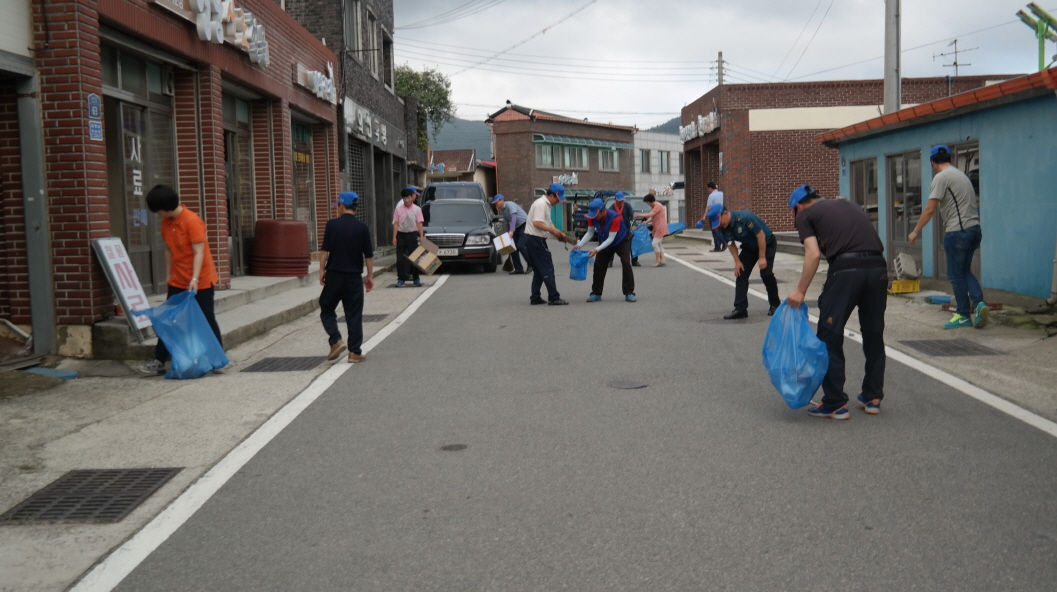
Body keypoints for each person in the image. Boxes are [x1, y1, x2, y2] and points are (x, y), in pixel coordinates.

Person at [786, 184, 888, 420]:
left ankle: (835, 403)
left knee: (829, 334)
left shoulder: (805, 215)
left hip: (846, 271)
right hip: (878, 268)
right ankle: (872, 396)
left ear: (798, 207)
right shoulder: (848, 204)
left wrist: (801, 290)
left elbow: (812, 253)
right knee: (873, 332)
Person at [140, 184, 223, 375]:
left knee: (207, 318)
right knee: (169, 319)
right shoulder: (167, 222)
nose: (157, 214)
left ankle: (217, 358)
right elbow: (169, 248)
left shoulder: (192, 221)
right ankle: (159, 360)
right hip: (178, 279)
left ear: (165, 207)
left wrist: (194, 278)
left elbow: (199, 252)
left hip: (201, 280)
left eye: (158, 210)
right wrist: (169, 275)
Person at [909, 145, 989, 330]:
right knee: (964, 271)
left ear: (932, 163)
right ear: (950, 160)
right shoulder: (961, 175)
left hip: (957, 232)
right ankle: (979, 304)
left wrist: (915, 231)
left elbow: (930, 208)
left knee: (954, 274)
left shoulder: (941, 177)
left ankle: (962, 314)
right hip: (974, 229)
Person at [319, 191, 374, 364]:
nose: (338, 209)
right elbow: (369, 256)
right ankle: (354, 353)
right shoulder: (362, 228)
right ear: (356, 208)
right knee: (354, 315)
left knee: (327, 308)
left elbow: (324, 251)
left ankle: (336, 340)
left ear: (342, 206)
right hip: (354, 278)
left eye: (338, 206)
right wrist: (370, 276)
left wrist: (321, 270)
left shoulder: (332, 225)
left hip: (334, 275)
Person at [707, 203, 781, 319]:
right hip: (749, 247)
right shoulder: (722, 227)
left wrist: (762, 257)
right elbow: (730, 243)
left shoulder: (745, 217)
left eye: (719, 220)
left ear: (725, 213)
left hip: (766, 243)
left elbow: (760, 236)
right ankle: (740, 309)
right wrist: (737, 262)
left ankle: (775, 304)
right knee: (741, 273)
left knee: (766, 273)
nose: (720, 224)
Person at [575, 197, 636, 302]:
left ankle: (629, 293)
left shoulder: (614, 217)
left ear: (603, 211)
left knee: (626, 263)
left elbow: (611, 239)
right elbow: (590, 233)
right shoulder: (592, 216)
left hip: (621, 239)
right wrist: (579, 245)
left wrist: (596, 250)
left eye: (596, 214)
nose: (594, 217)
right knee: (599, 265)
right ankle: (596, 293)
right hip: (605, 240)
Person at [519, 182, 571, 306]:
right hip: (535, 239)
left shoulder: (546, 205)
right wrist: (553, 230)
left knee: (538, 270)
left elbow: (547, 223)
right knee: (547, 268)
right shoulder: (541, 204)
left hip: (534, 240)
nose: (558, 202)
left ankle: (535, 297)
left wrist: (558, 233)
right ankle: (553, 297)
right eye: (558, 199)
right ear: (552, 195)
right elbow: (537, 223)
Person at [392, 186, 424, 287]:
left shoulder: (417, 209)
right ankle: (401, 279)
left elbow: (419, 223)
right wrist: (394, 237)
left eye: (408, 198)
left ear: (412, 197)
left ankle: (416, 278)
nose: (406, 200)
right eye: (404, 198)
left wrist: (421, 236)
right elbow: (396, 223)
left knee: (414, 258)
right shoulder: (398, 209)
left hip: (412, 235)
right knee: (400, 259)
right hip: (401, 235)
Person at [492, 194, 530, 275]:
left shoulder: (510, 204)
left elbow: (514, 217)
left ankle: (531, 264)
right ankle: (518, 268)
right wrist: (507, 237)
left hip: (525, 225)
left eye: (497, 202)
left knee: (520, 245)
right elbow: (507, 225)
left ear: (502, 200)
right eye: (495, 203)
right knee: (512, 247)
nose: (496, 204)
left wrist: (511, 231)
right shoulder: (503, 211)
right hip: (517, 227)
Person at [635, 194, 668, 267]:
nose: (647, 204)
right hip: (657, 227)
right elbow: (653, 217)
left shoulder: (657, 206)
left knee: (654, 243)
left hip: (660, 227)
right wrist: (646, 222)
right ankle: (662, 260)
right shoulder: (654, 206)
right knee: (659, 244)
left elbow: (650, 215)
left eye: (647, 202)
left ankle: (658, 261)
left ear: (650, 201)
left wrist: (638, 215)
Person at [611, 192, 641, 267]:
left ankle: (634, 261)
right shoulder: (611, 208)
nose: (621, 201)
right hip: (616, 230)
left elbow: (632, 216)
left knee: (631, 245)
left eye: (622, 200)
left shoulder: (627, 206)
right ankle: (610, 261)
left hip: (626, 229)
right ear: (615, 199)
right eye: (619, 200)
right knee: (612, 246)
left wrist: (633, 225)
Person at [702, 182, 727, 251]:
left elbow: (708, 207)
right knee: (719, 229)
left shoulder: (711, 196)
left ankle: (719, 246)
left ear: (710, 188)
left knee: (715, 231)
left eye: (707, 188)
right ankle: (720, 244)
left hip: (714, 215)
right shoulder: (721, 193)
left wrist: (704, 216)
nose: (707, 190)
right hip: (721, 213)